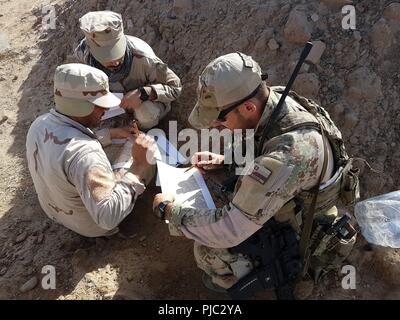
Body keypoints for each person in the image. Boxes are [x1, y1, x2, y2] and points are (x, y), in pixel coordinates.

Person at [152, 52, 357, 293]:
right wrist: (225, 160)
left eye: (219, 119)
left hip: (304, 228)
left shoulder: (287, 155)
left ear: (248, 107)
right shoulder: (275, 99)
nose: (217, 126)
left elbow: (229, 229)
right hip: (292, 195)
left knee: (207, 251)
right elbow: (259, 138)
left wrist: (170, 212)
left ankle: (229, 278)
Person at [26, 63, 155, 237]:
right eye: (99, 105)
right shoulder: (87, 155)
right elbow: (107, 217)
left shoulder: (39, 124)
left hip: (56, 212)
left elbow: (64, 146)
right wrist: (138, 166)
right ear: (78, 106)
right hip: (95, 225)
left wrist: (109, 134)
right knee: (145, 157)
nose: (106, 109)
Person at [74, 10, 182, 130]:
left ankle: (142, 131)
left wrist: (144, 93)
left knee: (147, 113)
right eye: (107, 57)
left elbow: (175, 87)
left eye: (118, 53)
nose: (115, 62)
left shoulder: (145, 58)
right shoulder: (83, 55)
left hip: (144, 104)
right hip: (112, 110)